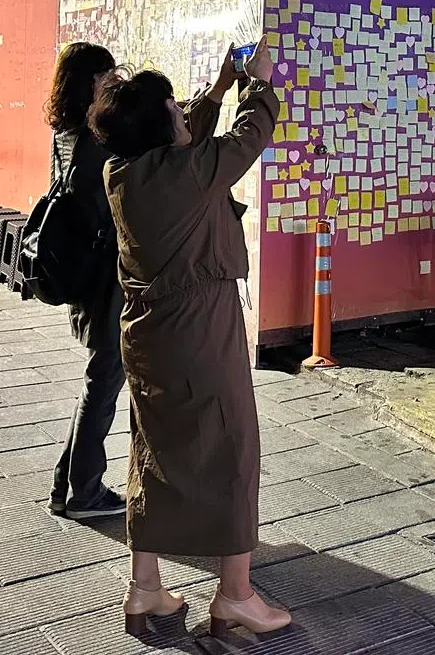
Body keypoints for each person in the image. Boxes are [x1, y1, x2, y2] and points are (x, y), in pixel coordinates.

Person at [88, 42, 290, 638]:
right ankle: (235, 594)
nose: (183, 111)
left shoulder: (123, 169)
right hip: (201, 326)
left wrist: (218, 85)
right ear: (161, 124)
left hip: (147, 330)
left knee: (153, 449)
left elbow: (181, 140)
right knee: (231, 444)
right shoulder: (189, 171)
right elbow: (248, 137)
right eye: (174, 106)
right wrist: (255, 84)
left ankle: (145, 588)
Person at [45, 41, 126, 521]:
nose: (114, 84)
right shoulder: (95, 142)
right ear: (90, 81)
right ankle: (85, 493)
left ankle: (67, 485)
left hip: (81, 271)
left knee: (102, 376)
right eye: (108, 77)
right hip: (104, 279)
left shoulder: (65, 132)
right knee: (104, 378)